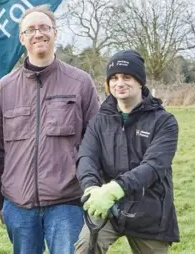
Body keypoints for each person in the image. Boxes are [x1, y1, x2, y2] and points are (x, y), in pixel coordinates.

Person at [0, 5, 100, 254]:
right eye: (31, 29)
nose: (38, 34)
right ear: (22, 38)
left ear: (55, 33)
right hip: (19, 207)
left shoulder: (80, 83)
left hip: (68, 205)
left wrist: (94, 191)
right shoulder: (4, 88)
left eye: (44, 28)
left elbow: (96, 143)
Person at [75, 50, 180, 253]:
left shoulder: (164, 122)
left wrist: (115, 188)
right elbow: (86, 157)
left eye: (127, 77)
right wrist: (90, 187)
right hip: (107, 207)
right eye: (113, 78)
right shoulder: (99, 121)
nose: (119, 83)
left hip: (150, 211)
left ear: (140, 81)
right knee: (84, 248)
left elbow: (154, 166)